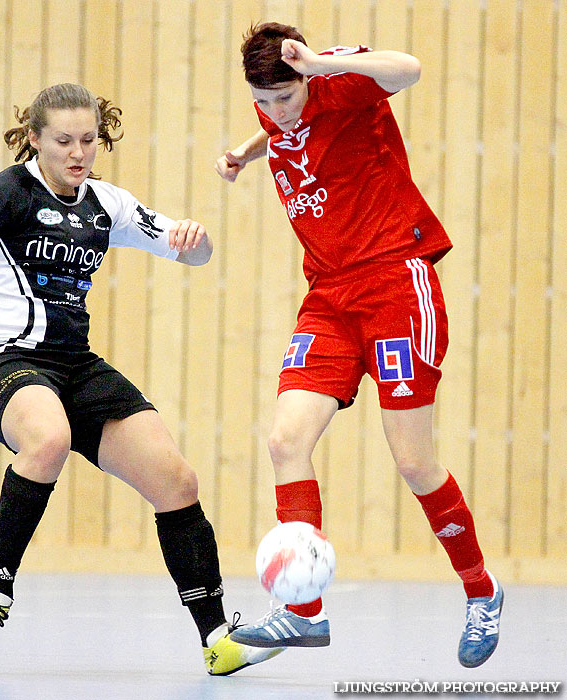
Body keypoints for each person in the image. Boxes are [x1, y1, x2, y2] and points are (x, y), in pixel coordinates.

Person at [0, 82, 283, 676]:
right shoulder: (5, 194)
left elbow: (192, 254)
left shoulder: (103, 203)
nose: (77, 152)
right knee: (49, 438)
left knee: (176, 480)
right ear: (34, 138)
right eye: (62, 141)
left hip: (74, 364)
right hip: (0, 358)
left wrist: (195, 238)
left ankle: (218, 638)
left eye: (88, 139)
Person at [215, 23, 503, 668]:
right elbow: (285, 130)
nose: (275, 112)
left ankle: (481, 591)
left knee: (413, 463)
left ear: (305, 75)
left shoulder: (339, 80)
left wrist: (315, 65)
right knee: (286, 440)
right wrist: (245, 150)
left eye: (285, 97)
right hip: (330, 298)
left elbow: (410, 67)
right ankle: (302, 613)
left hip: (397, 281)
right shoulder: (276, 106)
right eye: (262, 101)